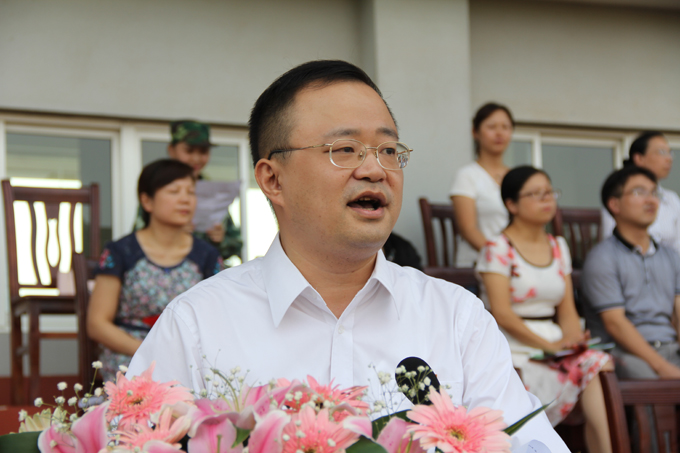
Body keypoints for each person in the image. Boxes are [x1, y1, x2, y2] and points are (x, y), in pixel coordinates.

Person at [127, 60, 569, 450]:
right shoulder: (197, 324)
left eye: (388, 150)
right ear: (273, 180)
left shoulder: (457, 319)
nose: (375, 169)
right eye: (344, 150)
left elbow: (529, 442)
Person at [476, 166, 612, 452]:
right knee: (594, 366)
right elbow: (502, 314)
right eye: (536, 194)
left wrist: (572, 341)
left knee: (598, 362)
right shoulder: (497, 247)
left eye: (549, 192)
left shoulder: (558, 245)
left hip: (553, 341)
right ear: (511, 204)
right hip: (513, 343)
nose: (547, 200)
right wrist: (549, 346)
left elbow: (567, 309)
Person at [88, 159, 223, 382]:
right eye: (174, 191)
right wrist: (149, 353)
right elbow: (97, 324)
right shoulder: (121, 251)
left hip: (187, 356)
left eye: (190, 192)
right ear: (147, 201)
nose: (185, 199)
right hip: (130, 355)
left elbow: (216, 319)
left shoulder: (207, 255)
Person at [582, 165, 680, 379]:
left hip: (671, 349)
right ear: (614, 204)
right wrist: (663, 368)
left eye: (654, 193)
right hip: (624, 353)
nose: (651, 200)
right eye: (639, 192)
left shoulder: (671, 256)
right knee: (646, 376)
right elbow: (615, 324)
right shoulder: (602, 258)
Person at [132, 120, 243, 262]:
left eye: (203, 152)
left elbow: (236, 244)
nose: (196, 159)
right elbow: (137, 242)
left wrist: (220, 240)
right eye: (189, 151)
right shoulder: (158, 186)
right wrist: (170, 232)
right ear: (171, 150)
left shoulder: (212, 192)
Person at [449, 103, 514, 266]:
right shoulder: (467, 175)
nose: (499, 133)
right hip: (477, 265)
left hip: (515, 265)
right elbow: (468, 229)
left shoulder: (517, 178)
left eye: (505, 127)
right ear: (475, 132)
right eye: (491, 127)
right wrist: (501, 258)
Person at [601, 131, 680, 255]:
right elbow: (613, 244)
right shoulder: (620, 195)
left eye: (670, 153)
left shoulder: (671, 198)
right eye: (661, 152)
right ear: (639, 158)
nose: (669, 159)